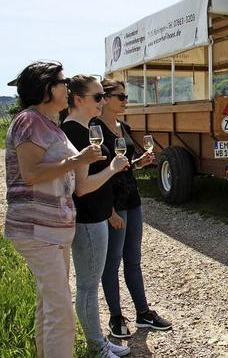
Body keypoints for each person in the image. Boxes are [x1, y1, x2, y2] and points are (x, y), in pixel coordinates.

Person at [4, 61, 104, 357]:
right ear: (47, 88)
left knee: (49, 306)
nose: (67, 86)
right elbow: (31, 173)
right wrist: (77, 161)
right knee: (61, 312)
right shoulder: (29, 121)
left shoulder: (50, 124)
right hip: (37, 229)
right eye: (62, 81)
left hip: (53, 229)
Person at [95, 79, 172, 338]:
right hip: (113, 202)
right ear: (104, 98)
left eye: (126, 96)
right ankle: (116, 317)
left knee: (133, 260)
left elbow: (124, 165)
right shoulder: (94, 129)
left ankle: (143, 313)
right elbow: (95, 172)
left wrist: (139, 163)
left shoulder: (123, 126)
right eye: (121, 96)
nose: (126, 100)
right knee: (112, 261)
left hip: (132, 199)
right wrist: (108, 211)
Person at [61, 76, 131, 357]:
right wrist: (113, 168)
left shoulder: (87, 128)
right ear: (79, 100)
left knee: (90, 285)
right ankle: (96, 346)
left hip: (96, 216)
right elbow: (83, 187)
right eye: (98, 96)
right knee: (88, 287)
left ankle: (98, 339)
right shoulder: (73, 132)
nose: (103, 101)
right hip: (87, 219)